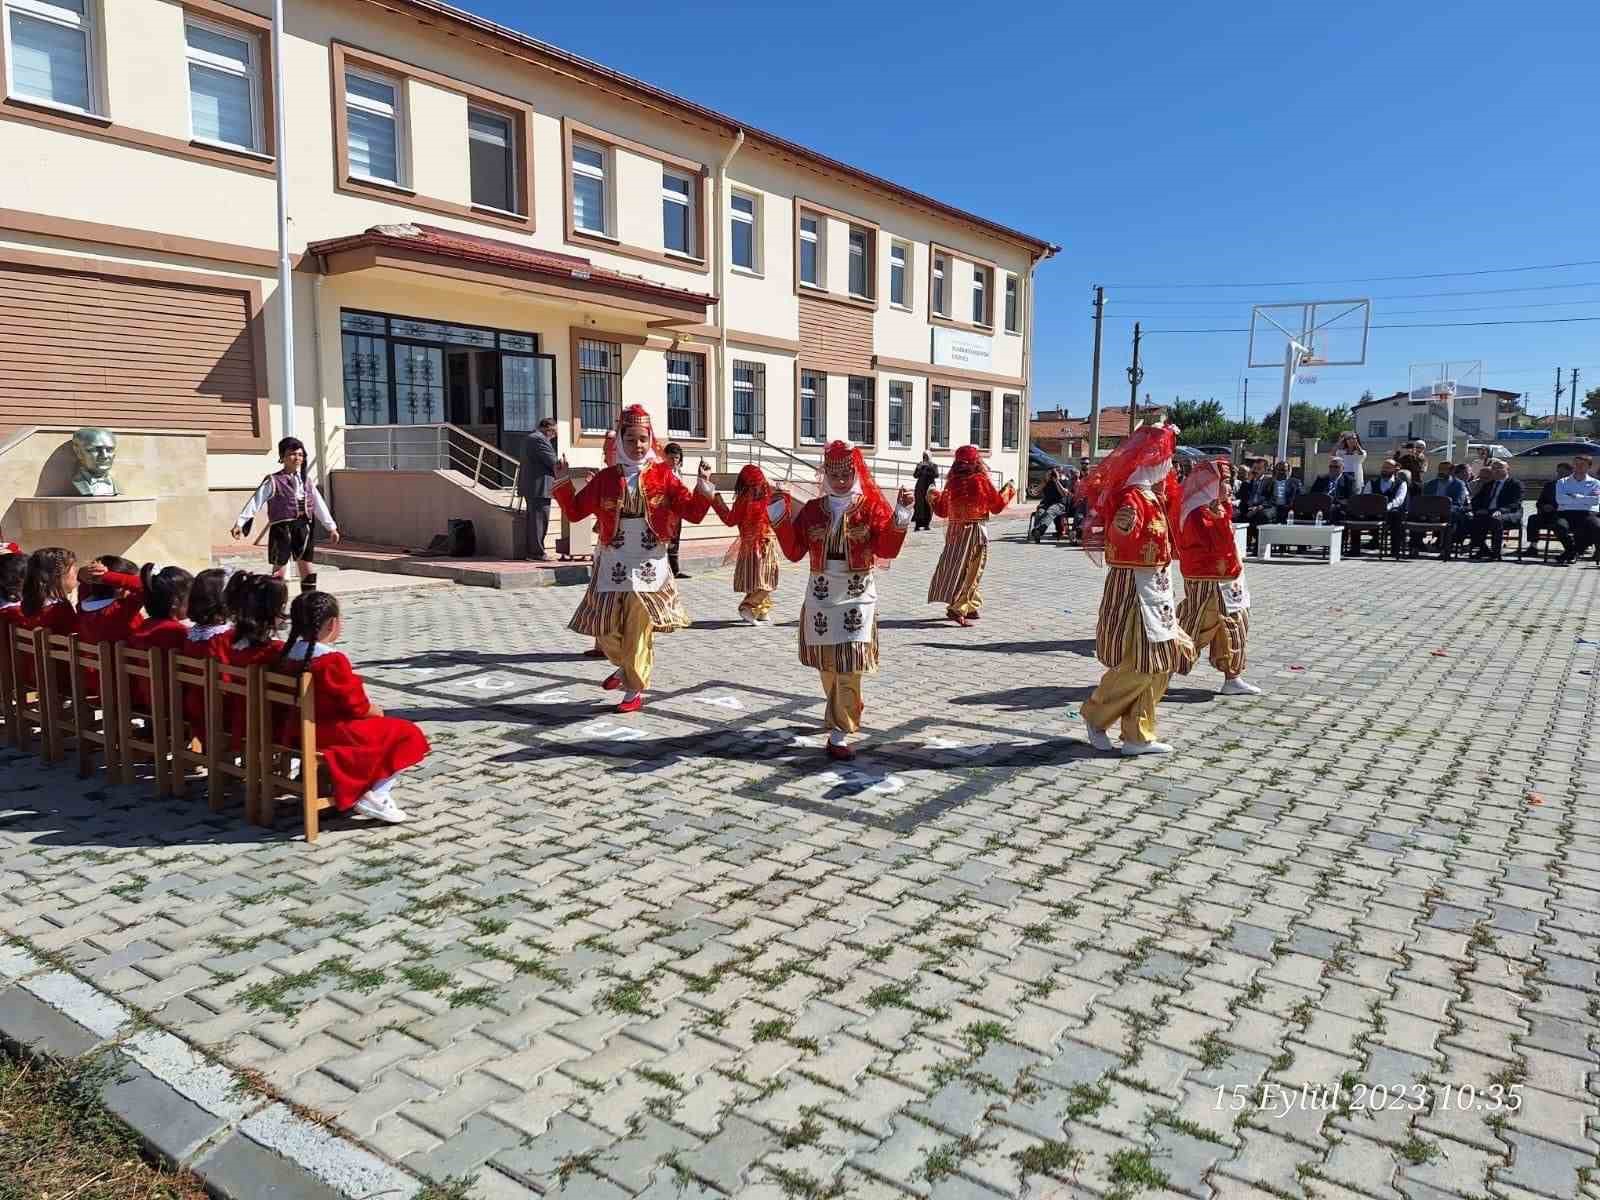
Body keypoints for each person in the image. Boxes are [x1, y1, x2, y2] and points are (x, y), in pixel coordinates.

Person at [553, 406, 714, 712]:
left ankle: (634, 690)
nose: (637, 446)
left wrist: (703, 487)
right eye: (631, 440)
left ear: (650, 439)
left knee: (639, 627)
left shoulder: (664, 475)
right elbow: (575, 512)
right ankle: (625, 667)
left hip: (648, 560)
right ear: (620, 443)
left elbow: (692, 512)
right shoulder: (605, 478)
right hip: (613, 560)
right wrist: (562, 482)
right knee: (604, 628)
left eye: (643, 439)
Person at [770, 440, 913, 761]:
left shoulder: (870, 508)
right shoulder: (811, 510)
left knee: (850, 662)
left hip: (857, 597)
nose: (840, 480)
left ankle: (840, 730)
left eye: (846, 473)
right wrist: (778, 516)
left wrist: (901, 514)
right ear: (824, 474)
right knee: (828, 665)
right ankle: (847, 703)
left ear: (856, 472)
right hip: (820, 597)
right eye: (833, 474)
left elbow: (887, 550)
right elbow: (794, 552)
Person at [1078, 423, 1196, 757]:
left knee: (1162, 661)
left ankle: (1137, 735)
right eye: (1167, 460)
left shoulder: (1151, 496)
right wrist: (1121, 525)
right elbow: (1119, 535)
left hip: (1156, 589)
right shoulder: (1133, 496)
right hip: (1134, 588)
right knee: (1142, 661)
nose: (1170, 468)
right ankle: (1096, 714)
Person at [279, 591, 430, 824]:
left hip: (296, 729)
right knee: (407, 733)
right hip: (331, 732)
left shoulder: (286, 655)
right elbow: (357, 706)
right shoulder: (331, 661)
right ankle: (375, 794)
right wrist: (378, 711)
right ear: (333, 623)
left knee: (386, 730)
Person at [1176, 459, 1259, 697]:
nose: (1231, 487)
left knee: (1234, 625)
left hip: (1229, 579)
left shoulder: (1217, 507)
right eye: (1226, 482)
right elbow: (1214, 543)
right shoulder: (1196, 510)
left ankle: (1232, 677)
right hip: (1207, 580)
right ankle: (1163, 669)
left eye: (1231, 481)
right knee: (1197, 624)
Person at [231, 437, 340, 593]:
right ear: (282, 457)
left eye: (300, 454)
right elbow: (256, 501)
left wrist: (331, 528)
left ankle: (308, 602)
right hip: (282, 528)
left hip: (304, 527)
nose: (297, 458)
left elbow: (318, 505)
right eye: (292, 454)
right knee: (279, 570)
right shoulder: (273, 481)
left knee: (307, 568)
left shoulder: (307, 481)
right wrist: (240, 523)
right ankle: (275, 605)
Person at [927, 446, 1015, 625]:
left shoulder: (952, 483)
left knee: (957, 567)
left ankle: (972, 605)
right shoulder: (980, 480)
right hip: (975, 531)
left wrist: (932, 495)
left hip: (954, 532)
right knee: (973, 570)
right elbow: (997, 506)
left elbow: (942, 511)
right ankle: (958, 608)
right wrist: (1009, 489)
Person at [709, 464, 781, 625]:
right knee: (764, 580)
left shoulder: (768, 495)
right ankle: (747, 607)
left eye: (759, 483)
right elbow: (730, 519)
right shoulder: (743, 500)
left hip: (768, 544)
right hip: (752, 546)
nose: (758, 487)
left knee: (763, 577)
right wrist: (715, 500)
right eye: (753, 484)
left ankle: (762, 608)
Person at [519, 416, 560, 562]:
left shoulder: (530, 438)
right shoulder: (539, 439)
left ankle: (534, 552)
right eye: (554, 433)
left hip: (533, 486)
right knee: (539, 521)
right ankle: (536, 553)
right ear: (548, 429)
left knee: (535, 520)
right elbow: (552, 461)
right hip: (539, 486)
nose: (553, 436)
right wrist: (562, 466)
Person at [1465, 460, 1523, 561]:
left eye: (1499, 468)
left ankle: (1496, 552)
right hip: (1488, 513)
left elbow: (1515, 503)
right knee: (1471, 520)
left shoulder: (1515, 484)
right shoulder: (1489, 484)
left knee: (1496, 519)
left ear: (1507, 469)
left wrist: (1500, 510)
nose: (1495, 470)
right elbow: (1477, 500)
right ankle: (1484, 550)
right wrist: (1477, 509)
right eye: (1493, 468)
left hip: (1509, 513)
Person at [1553, 455, 1600, 565]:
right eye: (1576, 464)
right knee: (1559, 526)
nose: (1578, 467)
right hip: (1566, 513)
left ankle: (1572, 552)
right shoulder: (1562, 482)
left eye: (1582, 464)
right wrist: (1585, 498)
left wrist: (1574, 496)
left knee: (1597, 527)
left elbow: (1595, 501)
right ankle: (1572, 551)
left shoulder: (1595, 483)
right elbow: (1560, 500)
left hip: (1587, 513)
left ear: (1589, 467)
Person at [1415, 461, 1470, 555]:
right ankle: (1415, 546)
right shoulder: (1430, 484)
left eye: (1445, 469)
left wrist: (1442, 511)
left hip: (1448, 513)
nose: (1441, 471)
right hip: (1430, 513)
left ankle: (1445, 549)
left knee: (1453, 516)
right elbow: (1424, 501)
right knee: (1415, 515)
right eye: (1440, 469)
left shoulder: (1459, 485)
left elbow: (1458, 503)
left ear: (1452, 471)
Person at [1357, 460, 1408, 557]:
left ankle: (1394, 550)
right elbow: (1366, 496)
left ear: (1394, 469)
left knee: (1396, 516)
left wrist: (1387, 507)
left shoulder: (1401, 483)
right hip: (1373, 512)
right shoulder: (1372, 482)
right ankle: (1355, 549)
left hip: (1390, 512)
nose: (1384, 470)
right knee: (1353, 514)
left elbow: (1399, 500)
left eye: (1388, 468)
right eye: (1383, 467)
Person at [1527, 463, 1575, 560]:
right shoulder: (1550, 485)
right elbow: (1539, 502)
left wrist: (1555, 507)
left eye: (1563, 473)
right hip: (1548, 515)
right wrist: (1543, 506)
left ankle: (1571, 550)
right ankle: (1533, 546)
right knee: (1533, 519)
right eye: (1559, 472)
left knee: (1559, 525)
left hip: (1564, 516)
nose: (1560, 475)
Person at [663, 442, 692, 579]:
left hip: (677, 512)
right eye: (671, 457)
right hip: (664, 513)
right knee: (665, 541)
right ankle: (664, 570)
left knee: (675, 540)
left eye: (677, 458)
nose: (674, 461)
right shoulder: (661, 472)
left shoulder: (678, 472)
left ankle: (675, 570)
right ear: (665, 457)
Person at [1309, 457, 1356, 522]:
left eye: (1336, 467)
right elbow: (1312, 495)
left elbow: (1351, 499)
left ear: (1343, 468)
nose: (1333, 469)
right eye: (1331, 467)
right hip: (1322, 508)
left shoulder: (1349, 481)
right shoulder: (1321, 479)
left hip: (1339, 510)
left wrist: (1335, 503)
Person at [1032, 467, 1072, 542]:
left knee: (1050, 512)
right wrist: (1045, 481)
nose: (1052, 474)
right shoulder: (1045, 481)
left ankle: (1038, 531)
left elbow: (1064, 494)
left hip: (1059, 504)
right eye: (1050, 472)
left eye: (1054, 472)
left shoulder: (1064, 480)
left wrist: (1056, 481)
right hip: (1046, 503)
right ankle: (1037, 532)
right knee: (1040, 512)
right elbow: (1035, 492)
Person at [913, 453, 939, 532]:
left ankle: (926, 524)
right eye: (924, 456)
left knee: (928, 505)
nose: (925, 458)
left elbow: (936, 475)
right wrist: (919, 468)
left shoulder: (933, 465)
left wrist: (930, 467)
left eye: (926, 456)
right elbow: (915, 475)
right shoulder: (920, 465)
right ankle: (917, 525)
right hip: (920, 488)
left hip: (929, 488)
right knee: (919, 506)